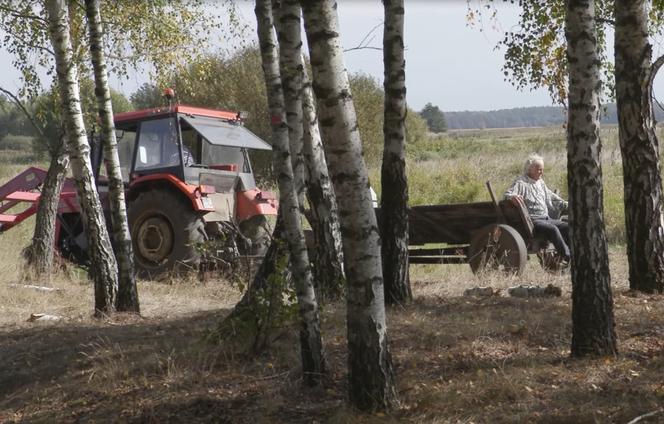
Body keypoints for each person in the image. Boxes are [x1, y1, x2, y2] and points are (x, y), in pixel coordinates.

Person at [504, 154, 570, 262]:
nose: (542, 172)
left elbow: (551, 197)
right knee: (552, 229)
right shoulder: (521, 183)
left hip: (546, 218)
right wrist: (512, 197)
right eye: (539, 170)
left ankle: (571, 253)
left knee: (567, 227)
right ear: (530, 169)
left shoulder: (540, 183)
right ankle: (567, 256)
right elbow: (508, 194)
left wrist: (565, 204)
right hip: (533, 221)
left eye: (542, 170)